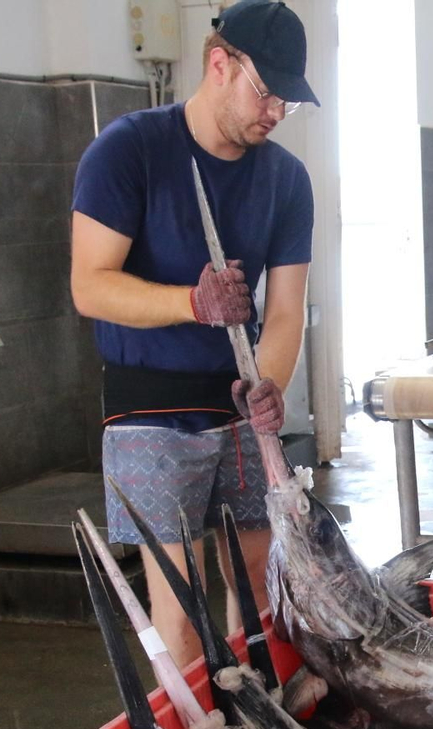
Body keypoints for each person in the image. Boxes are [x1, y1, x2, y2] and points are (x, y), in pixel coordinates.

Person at [70, 0, 318, 669]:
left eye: (288, 104)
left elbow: (288, 309)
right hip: (147, 409)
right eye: (267, 95)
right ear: (219, 63)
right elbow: (89, 284)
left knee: (263, 589)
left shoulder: (287, 181)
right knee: (180, 606)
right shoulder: (128, 150)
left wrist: (270, 384)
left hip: (236, 406)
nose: (274, 114)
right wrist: (191, 301)